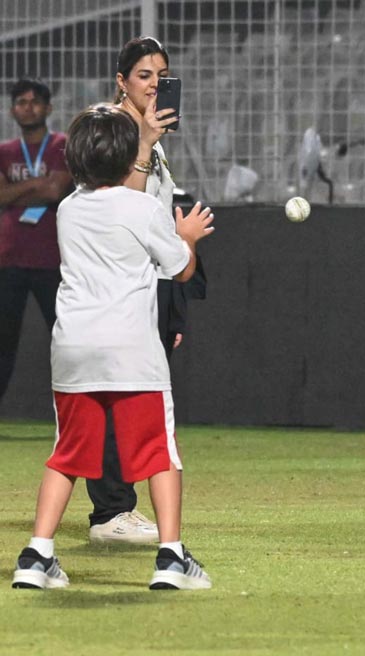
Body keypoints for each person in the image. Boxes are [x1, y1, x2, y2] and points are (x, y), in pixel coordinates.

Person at [11, 103, 214, 590]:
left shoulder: (68, 209)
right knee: (160, 454)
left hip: (74, 349)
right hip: (131, 351)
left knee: (67, 454)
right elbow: (179, 269)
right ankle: (171, 558)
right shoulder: (143, 208)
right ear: (128, 158)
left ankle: (37, 555)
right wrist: (187, 237)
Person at [84, 36, 196, 544]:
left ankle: (117, 506)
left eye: (161, 75)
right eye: (144, 75)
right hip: (124, 286)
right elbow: (116, 210)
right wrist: (145, 143)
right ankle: (110, 512)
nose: (154, 84)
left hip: (149, 282)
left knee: (133, 399)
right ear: (121, 81)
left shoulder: (151, 134)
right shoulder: (116, 133)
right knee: (118, 399)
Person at [0, 79, 71, 405]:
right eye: (21, 102)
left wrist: (16, 191)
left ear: (48, 107)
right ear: (13, 109)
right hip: (8, 259)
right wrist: (39, 182)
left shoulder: (62, 145)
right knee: (3, 343)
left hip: (53, 260)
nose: (28, 107)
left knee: (66, 338)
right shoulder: (4, 151)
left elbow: (56, 191)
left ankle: (72, 411)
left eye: (34, 101)